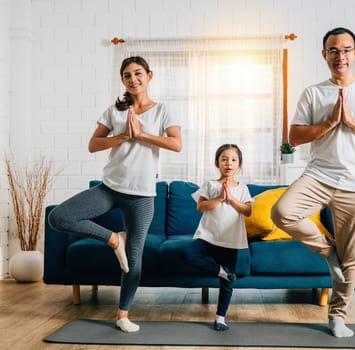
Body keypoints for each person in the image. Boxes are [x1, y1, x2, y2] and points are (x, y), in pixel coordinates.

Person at [270, 27, 355, 338]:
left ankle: (338, 316)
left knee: (351, 255)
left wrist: (353, 122)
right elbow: (295, 137)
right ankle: (328, 252)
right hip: (319, 175)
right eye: (332, 50)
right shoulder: (314, 93)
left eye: (345, 50)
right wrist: (330, 122)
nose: (339, 56)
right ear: (324, 55)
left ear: (354, 53)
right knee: (282, 212)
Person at [48, 56, 182, 333]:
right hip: (109, 188)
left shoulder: (163, 110)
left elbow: (176, 144)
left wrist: (142, 134)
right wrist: (123, 136)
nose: (133, 79)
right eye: (127, 75)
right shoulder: (114, 111)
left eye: (138, 73)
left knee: (134, 260)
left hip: (142, 194)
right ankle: (113, 239)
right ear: (122, 80)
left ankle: (122, 314)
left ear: (149, 76)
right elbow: (93, 144)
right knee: (59, 217)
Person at [183, 144, 253, 331]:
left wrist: (231, 199)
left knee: (227, 283)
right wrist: (220, 198)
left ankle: (220, 317)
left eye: (233, 160)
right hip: (207, 236)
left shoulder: (242, 188)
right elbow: (200, 207)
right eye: (224, 159)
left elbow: (247, 211)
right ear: (217, 163)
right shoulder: (210, 185)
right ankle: (219, 270)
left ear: (239, 164)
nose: (228, 163)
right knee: (190, 254)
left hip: (230, 240)